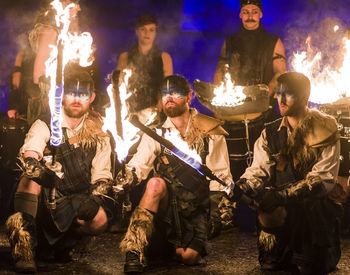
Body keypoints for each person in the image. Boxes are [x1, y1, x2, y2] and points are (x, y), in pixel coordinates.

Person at [116, 75, 231, 273]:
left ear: (189, 96)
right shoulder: (156, 133)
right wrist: (129, 176)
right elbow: (139, 164)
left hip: (195, 210)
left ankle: (170, 247)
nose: (169, 98)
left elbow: (221, 174)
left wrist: (217, 212)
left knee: (188, 258)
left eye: (175, 93)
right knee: (155, 184)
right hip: (167, 207)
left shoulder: (210, 130)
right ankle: (133, 249)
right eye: (165, 94)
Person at [233, 72, 343, 274]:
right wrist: (243, 185)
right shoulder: (270, 132)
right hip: (283, 214)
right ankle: (278, 252)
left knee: (307, 267)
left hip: (314, 215)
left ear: (304, 96)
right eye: (278, 94)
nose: (280, 100)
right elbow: (258, 170)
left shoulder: (325, 128)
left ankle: (311, 257)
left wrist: (281, 195)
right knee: (272, 263)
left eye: (288, 94)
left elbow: (322, 180)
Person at [5, 70, 114, 273]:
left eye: (83, 94)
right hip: (45, 201)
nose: (76, 99)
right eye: (72, 93)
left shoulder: (100, 132)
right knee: (28, 180)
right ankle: (24, 247)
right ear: (63, 95)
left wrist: (96, 198)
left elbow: (102, 174)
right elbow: (30, 154)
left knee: (100, 219)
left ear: (91, 98)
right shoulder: (46, 123)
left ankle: (65, 244)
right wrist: (39, 172)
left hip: (74, 200)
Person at [213, 0, 286, 121]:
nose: (250, 16)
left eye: (254, 12)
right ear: (240, 14)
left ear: (260, 14)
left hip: (265, 109)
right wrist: (222, 96)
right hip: (234, 106)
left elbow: (280, 73)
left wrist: (261, 98)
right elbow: (220, 70)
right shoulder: (230, 41)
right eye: (246, 12)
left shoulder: (273, 41)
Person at [116, 14, 173, 122]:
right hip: (130, 110)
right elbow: (118, 85)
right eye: (143, 29)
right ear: (137, 31)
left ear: (155, 32)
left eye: (151, 30)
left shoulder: (164, 57)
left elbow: (167, 86)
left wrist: (160, 104)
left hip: (156, 109)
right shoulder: (125, 57)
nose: (147, 33)